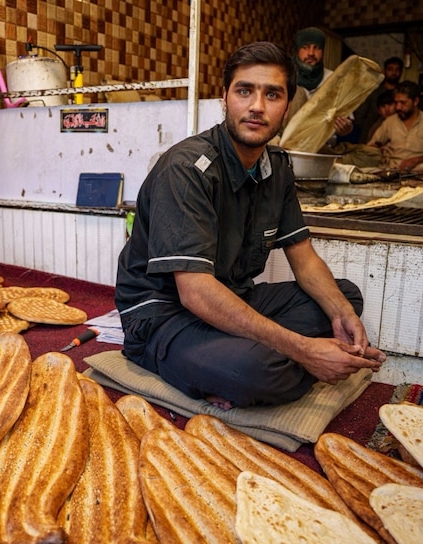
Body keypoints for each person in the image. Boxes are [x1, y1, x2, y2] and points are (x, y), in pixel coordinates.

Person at [115, 42, 386, 411]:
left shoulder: (276, 166)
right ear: (224, 98)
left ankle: (235, 365)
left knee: (345, 295)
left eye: (272, 94)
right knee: (256, 370)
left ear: (286, 108)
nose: (257, 106)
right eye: (245, 91)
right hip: (164, 313)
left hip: (231, 296)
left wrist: (343, 316)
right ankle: (241, 367)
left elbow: (304, 261)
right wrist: (304, 349)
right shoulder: (186, 169)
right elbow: (194, 293)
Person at [369, 80, 423, 173]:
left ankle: (404, 173)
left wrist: (415, 161)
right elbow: (371, 145)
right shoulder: (390, 121)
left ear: (415, 101)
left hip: (419, 165)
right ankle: (399, 172)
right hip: (393, 164)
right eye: (396, 102)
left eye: (403, 103)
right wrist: (379, 150)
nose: (398, 107)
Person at [287, 27, 354, 140]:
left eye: (317, 48)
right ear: (298, 50)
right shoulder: (285, 75)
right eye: (305, 47)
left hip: (321, 142)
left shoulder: (334, 79)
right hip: (288, 141)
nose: (311, 53)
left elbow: (347, 119)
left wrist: (346, 128)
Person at [354, 56, 404, 143]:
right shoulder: (373, 92)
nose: (394, 72)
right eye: (390, 69)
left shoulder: (403, 94)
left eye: (397, 70)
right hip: (370, 135)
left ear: (401, 72)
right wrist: (368, 128)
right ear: (384, 71)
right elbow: (359, 116)